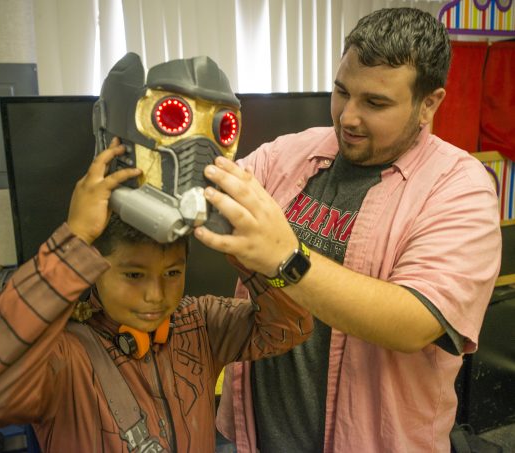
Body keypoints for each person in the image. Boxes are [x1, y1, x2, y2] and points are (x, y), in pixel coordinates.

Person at [0, 51, 313, 453]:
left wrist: (252, 256)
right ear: (93, 269)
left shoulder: (198, 325)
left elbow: (288, 330)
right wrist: (72, 242)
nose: (157, 296)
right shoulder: (64, 357)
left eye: (173, 273)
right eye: (133, 275)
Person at [193, 7, 503, 453]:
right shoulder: (294, 153)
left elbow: (414, 323)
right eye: (341, 92)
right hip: (251, 434)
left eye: (375, 103)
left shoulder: (460, 187)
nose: (348, 118)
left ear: (429, 103)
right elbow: (205, 194)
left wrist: (287, 260)